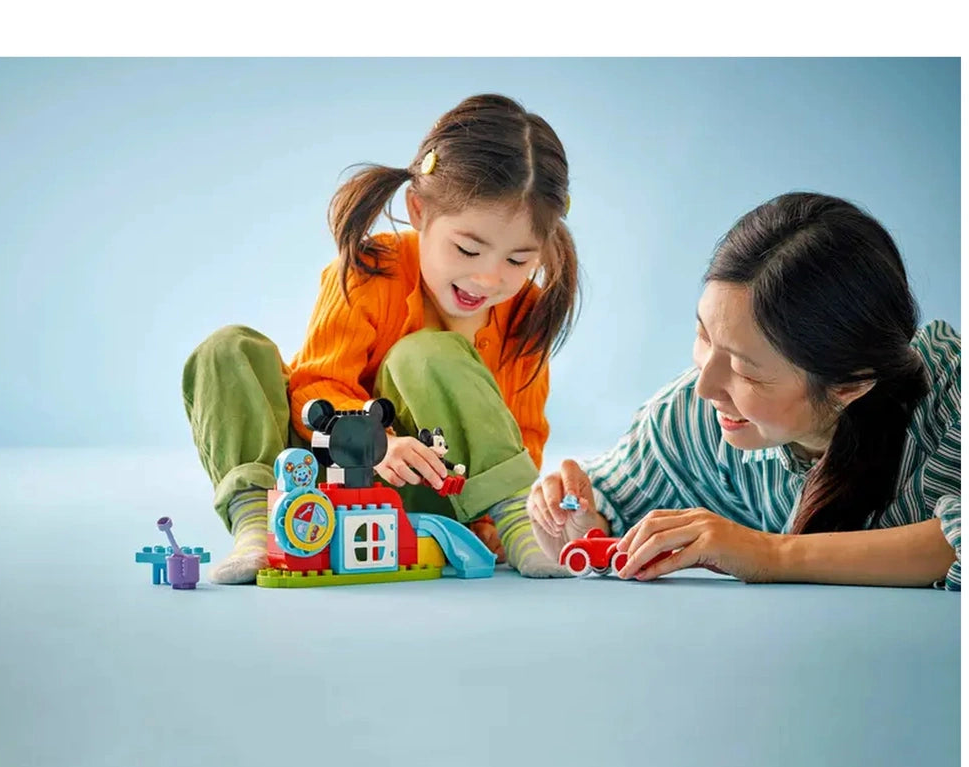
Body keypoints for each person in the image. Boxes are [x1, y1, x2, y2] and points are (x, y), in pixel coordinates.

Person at [184, 93, 581, 583]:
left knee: (427, 353)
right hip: (315, 482)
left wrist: (492, 525)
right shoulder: (372, 269)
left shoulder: (527, 315)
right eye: (467, 249)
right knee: (226, 349)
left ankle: (515, 523)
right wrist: (378, 445)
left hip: (426, 489)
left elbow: (521, 435)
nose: (488, 278)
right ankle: (259, 524)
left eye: (518, 261)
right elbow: (316, 384)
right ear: (419, 211)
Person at [528, 192, 961, 589]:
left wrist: (768, 553)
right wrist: (580, 527)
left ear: (849, 384)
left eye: (743, 369)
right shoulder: (690, 421)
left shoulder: (951, 396)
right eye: (704, 336)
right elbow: (608, 505)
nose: (706, 387)